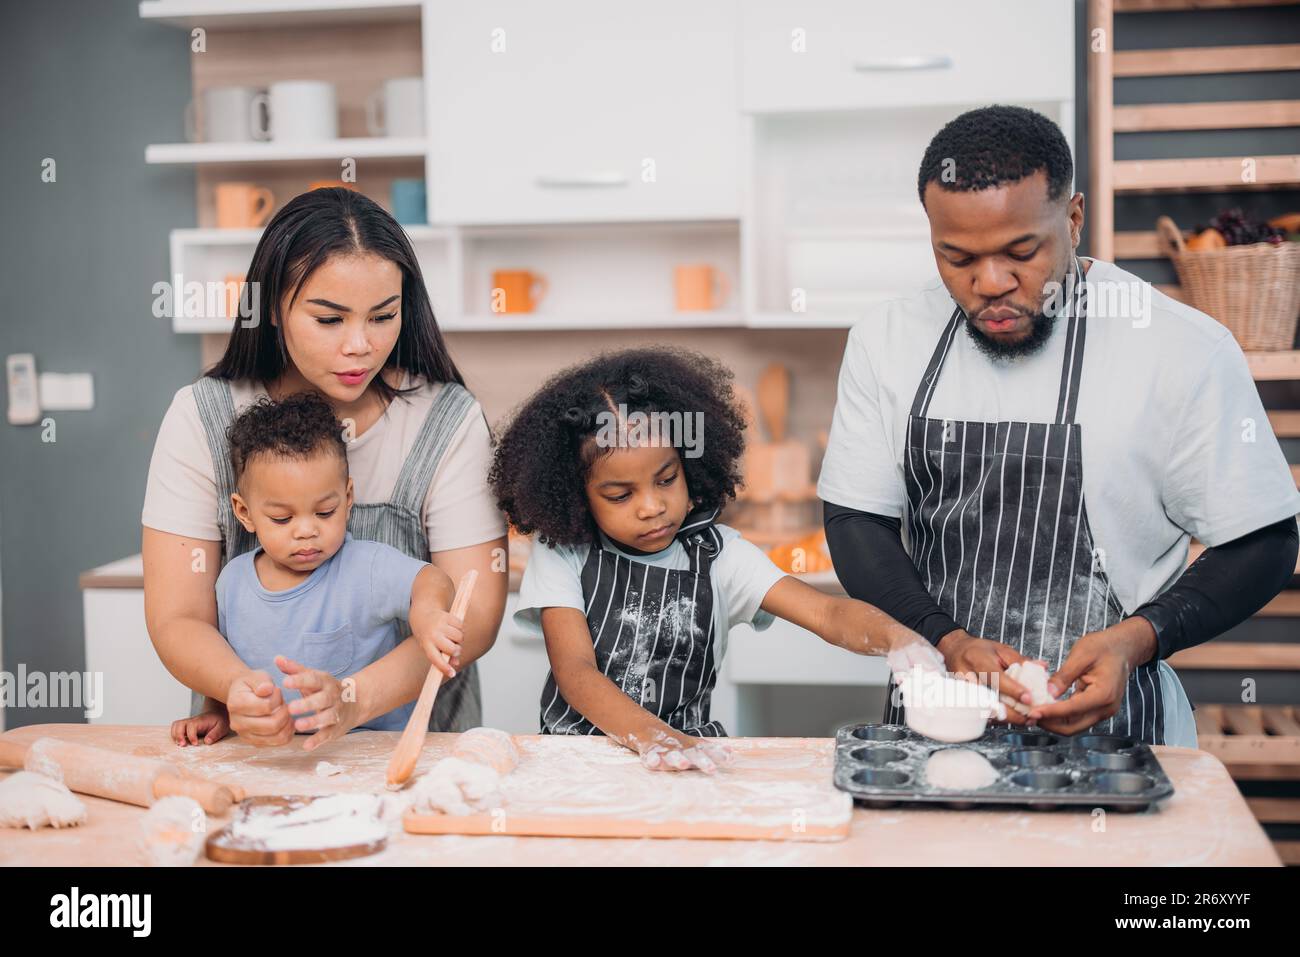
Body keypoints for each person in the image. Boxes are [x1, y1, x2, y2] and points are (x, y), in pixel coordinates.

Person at [818, 105, 1299, 746]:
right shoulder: (886, 340)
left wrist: (1138, 638)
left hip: (1124, 741)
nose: (991, 283)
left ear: (1073, 218)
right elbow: (857, 522)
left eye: (1022, 252)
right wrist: (946, 638)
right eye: (956, 257)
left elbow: (1263, 541)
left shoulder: (1180, 349)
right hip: (936, 735)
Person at [142, 188, 507, 747]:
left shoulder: (445, 419)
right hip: (253, 745)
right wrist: (241, 689)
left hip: (416, 744)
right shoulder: (201, 417)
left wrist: (352, 700)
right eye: (329, 319)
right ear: (270, 307)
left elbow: (473, 612)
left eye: (383, 316)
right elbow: (178, 618)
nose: (360, 345)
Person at [492, 347, 943, 772]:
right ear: (576, 497)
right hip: (575, 759)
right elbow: (575, 671)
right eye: (621, 494)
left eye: (666, 480)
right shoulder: (562, 556)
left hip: (689, 755)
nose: (651, 506)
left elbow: (827, 612)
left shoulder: (719, 556)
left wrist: (902, 641)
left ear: (691, 467)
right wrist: (653, 738)